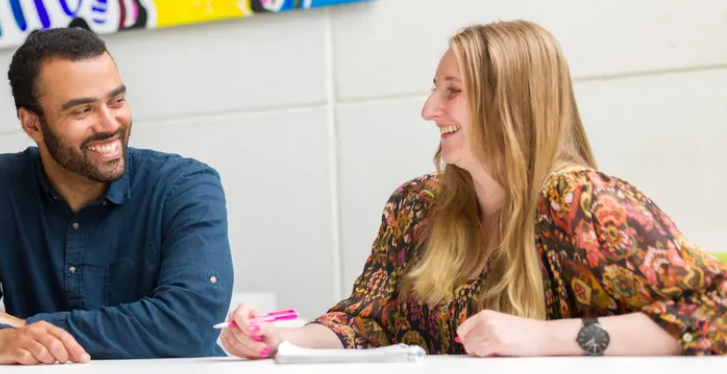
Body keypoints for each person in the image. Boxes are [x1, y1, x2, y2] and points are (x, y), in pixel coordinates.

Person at [220, 20, 727, 358]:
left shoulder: (582, 204)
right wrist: (281, 338)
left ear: (511, 102)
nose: (429, 110)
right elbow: (368, 322)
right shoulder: (416, 205)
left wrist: (546, 338)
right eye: (434, 89)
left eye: (453, 91)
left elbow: (716, 311)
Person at [0, 27, 235, 365]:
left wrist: (24, 327)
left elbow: (188, 327)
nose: (109, 124)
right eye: (82, 110)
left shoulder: (185, 186)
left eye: (116, 101)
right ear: (33, 125)